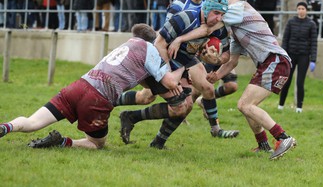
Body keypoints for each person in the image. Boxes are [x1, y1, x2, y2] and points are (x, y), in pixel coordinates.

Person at [0, 24, 186, 149]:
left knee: (32, 123)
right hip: (98, 98)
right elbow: (170, 82)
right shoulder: (150, 49)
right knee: (97, 144)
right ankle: (63, 142)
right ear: (153, 40)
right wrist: (184, 68)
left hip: (79, 85)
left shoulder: (127, 44)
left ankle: (6, 127)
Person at [172, 0, 297, 160]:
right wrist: (215, 74)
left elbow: (208, 27)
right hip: (269, 63)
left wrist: (180, 39)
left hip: (276, 61)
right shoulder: (236, 25)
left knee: (245, 105)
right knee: (247, 106)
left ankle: (283, 137)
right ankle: (263, 144)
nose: (221, 1)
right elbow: (231, 61)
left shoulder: (239, 8)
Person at [119, 0, 238, 150]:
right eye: (216, 13)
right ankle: (111, 102)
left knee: (200, 94)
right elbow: (159, 43)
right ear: (207, 8)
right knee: (148, 97)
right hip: (164, 55)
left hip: (185, 58)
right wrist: (167, 74)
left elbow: (225, 55)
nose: (219, 18)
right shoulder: (185, 17)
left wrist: (215, 60)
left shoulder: (219, 26)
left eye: (222, 14)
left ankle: (161, 141)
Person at [278, 1, 318, 113]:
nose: (301, 10)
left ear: (306, 10)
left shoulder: (311, 24)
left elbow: (314, 43)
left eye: (303, 8)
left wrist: (313, 59)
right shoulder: (291, 22)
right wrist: (283, 55)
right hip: (291, 55)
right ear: (296, 10)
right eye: (299, 8)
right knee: (286, 80)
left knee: (300, 82)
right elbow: (285, 40)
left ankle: (299, 107)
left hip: (304, 56)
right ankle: (281, 105)